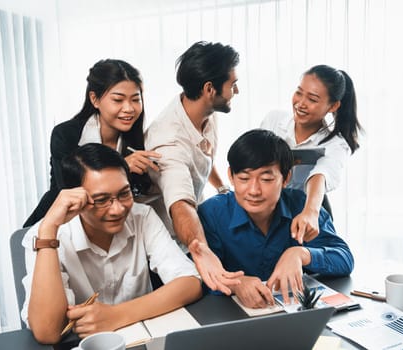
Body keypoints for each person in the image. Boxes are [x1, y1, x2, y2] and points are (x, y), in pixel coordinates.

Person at [21, 143, 201, 344]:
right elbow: (47, 332)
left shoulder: (142, 217)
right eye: (101, 200)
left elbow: (190, 282)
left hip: (143, 340)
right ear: (75, 198)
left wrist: (116, 315)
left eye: (124, 193)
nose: (117, 209)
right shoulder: (46, 235)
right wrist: (48, 230)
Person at [198, 129, 354, 308]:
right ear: (231, 176)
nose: (254, 190)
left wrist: (301, 254)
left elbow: (344, 259)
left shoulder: (300, 205)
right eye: (244, 178)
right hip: (231, 317)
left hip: (291, 314)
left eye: (266, 179)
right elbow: (200, 275)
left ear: (286, 178)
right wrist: (236, 284)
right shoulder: (211, 213)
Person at [145, 41, 243, 294]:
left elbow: (201, 155)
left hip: (191, 231)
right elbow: (180, 204)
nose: (237, 90)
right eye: (232, 84)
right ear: (210, 89)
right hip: (166, 241)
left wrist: (222, 187)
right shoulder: (168, 141)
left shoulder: (207, 110)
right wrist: (202, 249)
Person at [23, 59, 160, 227]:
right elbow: (72, 191)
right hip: (56, 225)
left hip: (104, 229)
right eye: (118, 100)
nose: (129, 108)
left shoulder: (138, 140)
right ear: (94, 99)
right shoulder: (65, 134)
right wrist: (122, 167)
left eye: (135, 99)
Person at [261, 64, 362, 244]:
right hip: (265, 208)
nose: (301, 103)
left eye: (313, 99)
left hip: (304, 212)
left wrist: (310, 212)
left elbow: (321, 174)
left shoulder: (336, 144)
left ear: (333, 106)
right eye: (299, 93)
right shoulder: (274, 120)